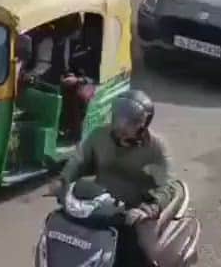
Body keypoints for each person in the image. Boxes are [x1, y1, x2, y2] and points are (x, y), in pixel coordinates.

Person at [59, 89, 174, 266]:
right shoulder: (99, 136)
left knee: (147, 252)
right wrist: (63, 181)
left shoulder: (155, 148)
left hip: (134, 212)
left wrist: (152, 207)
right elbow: (78, 161)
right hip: (100, 206)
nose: (121, 127)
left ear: (143, 124)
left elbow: (166, 184)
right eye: (118, 119)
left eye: (129, 124)